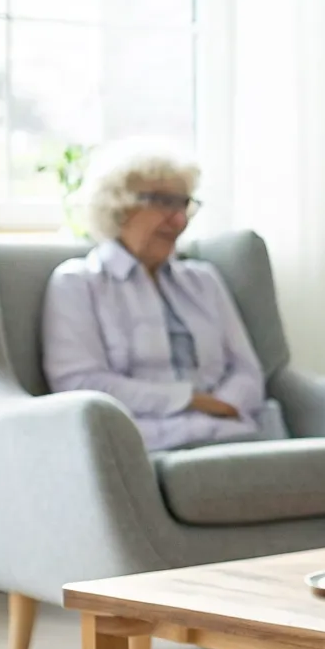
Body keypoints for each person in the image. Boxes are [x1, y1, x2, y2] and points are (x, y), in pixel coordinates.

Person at [42, 140, 278, 452]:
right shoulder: (77, 283)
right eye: (164, 202)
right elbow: (79, 382)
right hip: (144, 445)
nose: (179, 220)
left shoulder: (204, 280)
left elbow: (246, 369)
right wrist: (191, 401)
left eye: (183, 204)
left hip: (234, 434)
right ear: (119, 206)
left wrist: (227, 405)